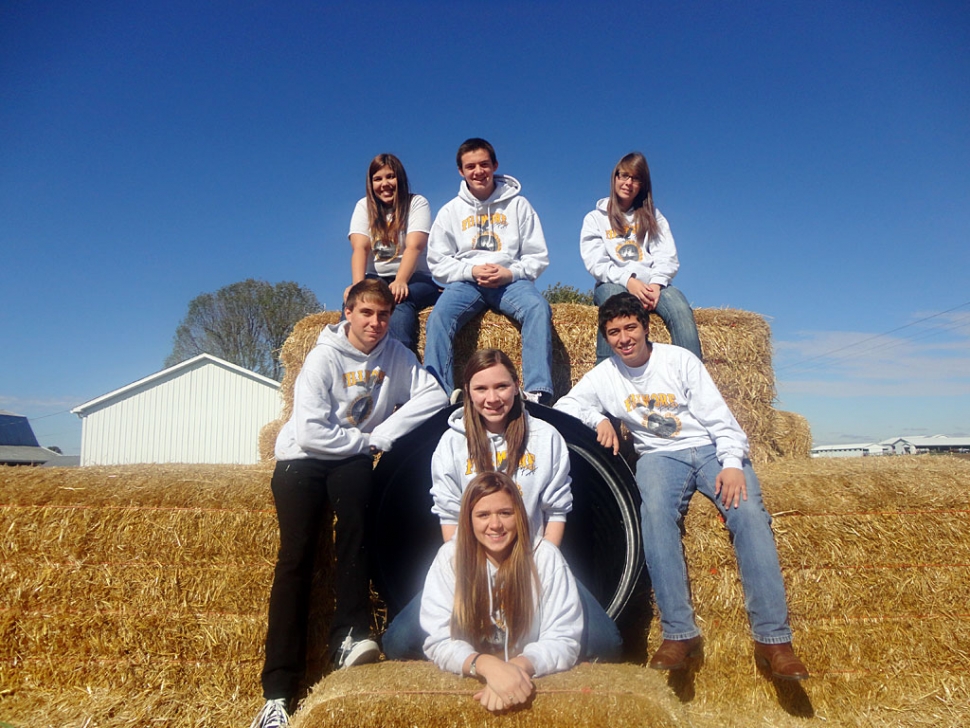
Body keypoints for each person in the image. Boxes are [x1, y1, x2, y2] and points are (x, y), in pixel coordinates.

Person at [555, 293, 808, 681]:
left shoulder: (678, 361)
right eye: (614, 332)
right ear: (607, 339)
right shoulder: (606, 375)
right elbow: (564, 408)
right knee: (653, 518)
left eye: (629, 328)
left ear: (645, 327)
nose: (623, 338)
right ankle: (679, 634)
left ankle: (774, 641)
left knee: (749, 516)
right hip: (659, 456)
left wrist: (731, 463)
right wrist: (596, 418)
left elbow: (720, 418)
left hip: (708, 446)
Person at [250, 279, 449, 728]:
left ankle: (351, 634)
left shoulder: (396, 354)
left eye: (382, 315)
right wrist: (366, 439)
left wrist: (383, 435)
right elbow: (309, 434)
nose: (375, 324)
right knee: (295, 559)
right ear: (348, 312)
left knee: (357, 527)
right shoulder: (322, 357)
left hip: (352, 457)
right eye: (366, 314)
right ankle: (278, 693)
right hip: (303, 460)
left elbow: (433, 395)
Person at [382, 349, 621, 661]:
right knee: (398, 642)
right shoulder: (451, 444)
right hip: (472, 563)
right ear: (467, 392)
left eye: (501, 387)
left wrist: (537, 567)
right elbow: (449, 518)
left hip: (532, 559)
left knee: (607, 643)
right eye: (481, 388)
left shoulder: (546, 438)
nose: (492, 398)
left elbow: (557, 511)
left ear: (517, 386)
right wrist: (473, 574)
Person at [421, 471, 583, 713]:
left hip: (521, 664)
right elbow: (439, 639)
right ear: (468, 519)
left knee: (608, 642)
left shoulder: (545, 557)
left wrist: (517, 668)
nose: (495, 525)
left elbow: (564, 637)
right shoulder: (449, 558)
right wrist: (485, 665)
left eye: (505, 513)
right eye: (483, 515)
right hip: (479, 663)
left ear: (519, 515)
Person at [424, 138, 553, 403]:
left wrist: (511, 273)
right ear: (461, 171)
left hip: (510, 282)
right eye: (470, 166)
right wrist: (470, 271)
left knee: (537, 308)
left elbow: (538, 256)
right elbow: (437, 261)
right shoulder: (450, 211)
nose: (478, 171)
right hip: (467, 282)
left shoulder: (519, 205)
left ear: (495, 165)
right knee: (438, 317)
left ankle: (538, 393)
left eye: (484, 164)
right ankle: (438, 395)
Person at [580, 152, 702, 363]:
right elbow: (595, 261)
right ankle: (606, 378)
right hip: (613, 282)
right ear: (615, 178)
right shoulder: (595, 218)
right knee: (613, 306)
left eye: (635, 178)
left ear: (643, 185)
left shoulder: (653, 216)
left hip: (653, 285)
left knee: (681, 310)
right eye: (624, 176)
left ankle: (693, 382)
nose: (628, 183)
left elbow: (667, 255)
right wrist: (629, 281)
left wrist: (656, 283)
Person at [346, 153, 440, 353]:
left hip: (415, 277)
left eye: (390, 176)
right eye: (378, 179)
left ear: (400, 178)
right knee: (357, 304)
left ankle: (400, 358)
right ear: (371, 184)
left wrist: (401, 280)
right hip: (376, 276)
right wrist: (357, 287)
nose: (385, 184)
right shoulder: (364, 206)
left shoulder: (417, 203)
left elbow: (415, 246)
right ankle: (345, 356)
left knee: (398, 300)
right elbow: (360, 247)